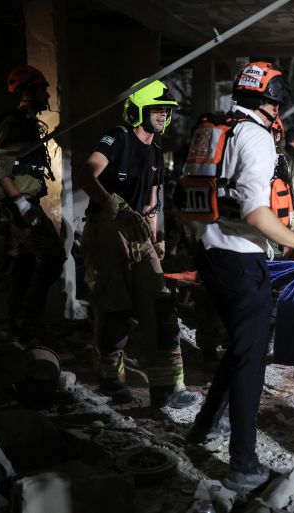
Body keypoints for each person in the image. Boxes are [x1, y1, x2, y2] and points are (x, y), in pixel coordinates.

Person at [176, 61, 294, 493]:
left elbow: (190, 194)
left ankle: (205, 425)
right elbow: (255, 213)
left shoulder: (212, 129)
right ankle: (243, 464)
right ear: (271, 103)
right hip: (240, 258)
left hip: (209, 253)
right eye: (278, 105)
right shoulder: (255, 137)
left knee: (241, 345)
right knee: (251, 357)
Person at [78, 79, 201, 411]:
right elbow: (87, 175)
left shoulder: (156, 153)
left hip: (139, 233)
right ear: (138, 111)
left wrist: (156, 240)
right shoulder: (117, 139)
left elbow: (151, 204)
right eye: (157, 109)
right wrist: (115, 206)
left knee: (161, 306)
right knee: (115, 310)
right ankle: (111, 380)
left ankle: (169, 388)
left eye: (167, 110)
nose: (163, 115)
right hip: (107, 230)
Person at [0, 65, 66, 344]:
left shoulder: (28, 123)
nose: (47, 94)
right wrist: (21, 204)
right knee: (53, 256)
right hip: (18, 203)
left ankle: (18, 327)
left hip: (25, 201)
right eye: (43, 89)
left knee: (23, 263)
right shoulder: (15, 123)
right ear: (27, 91)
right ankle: (28, 321)